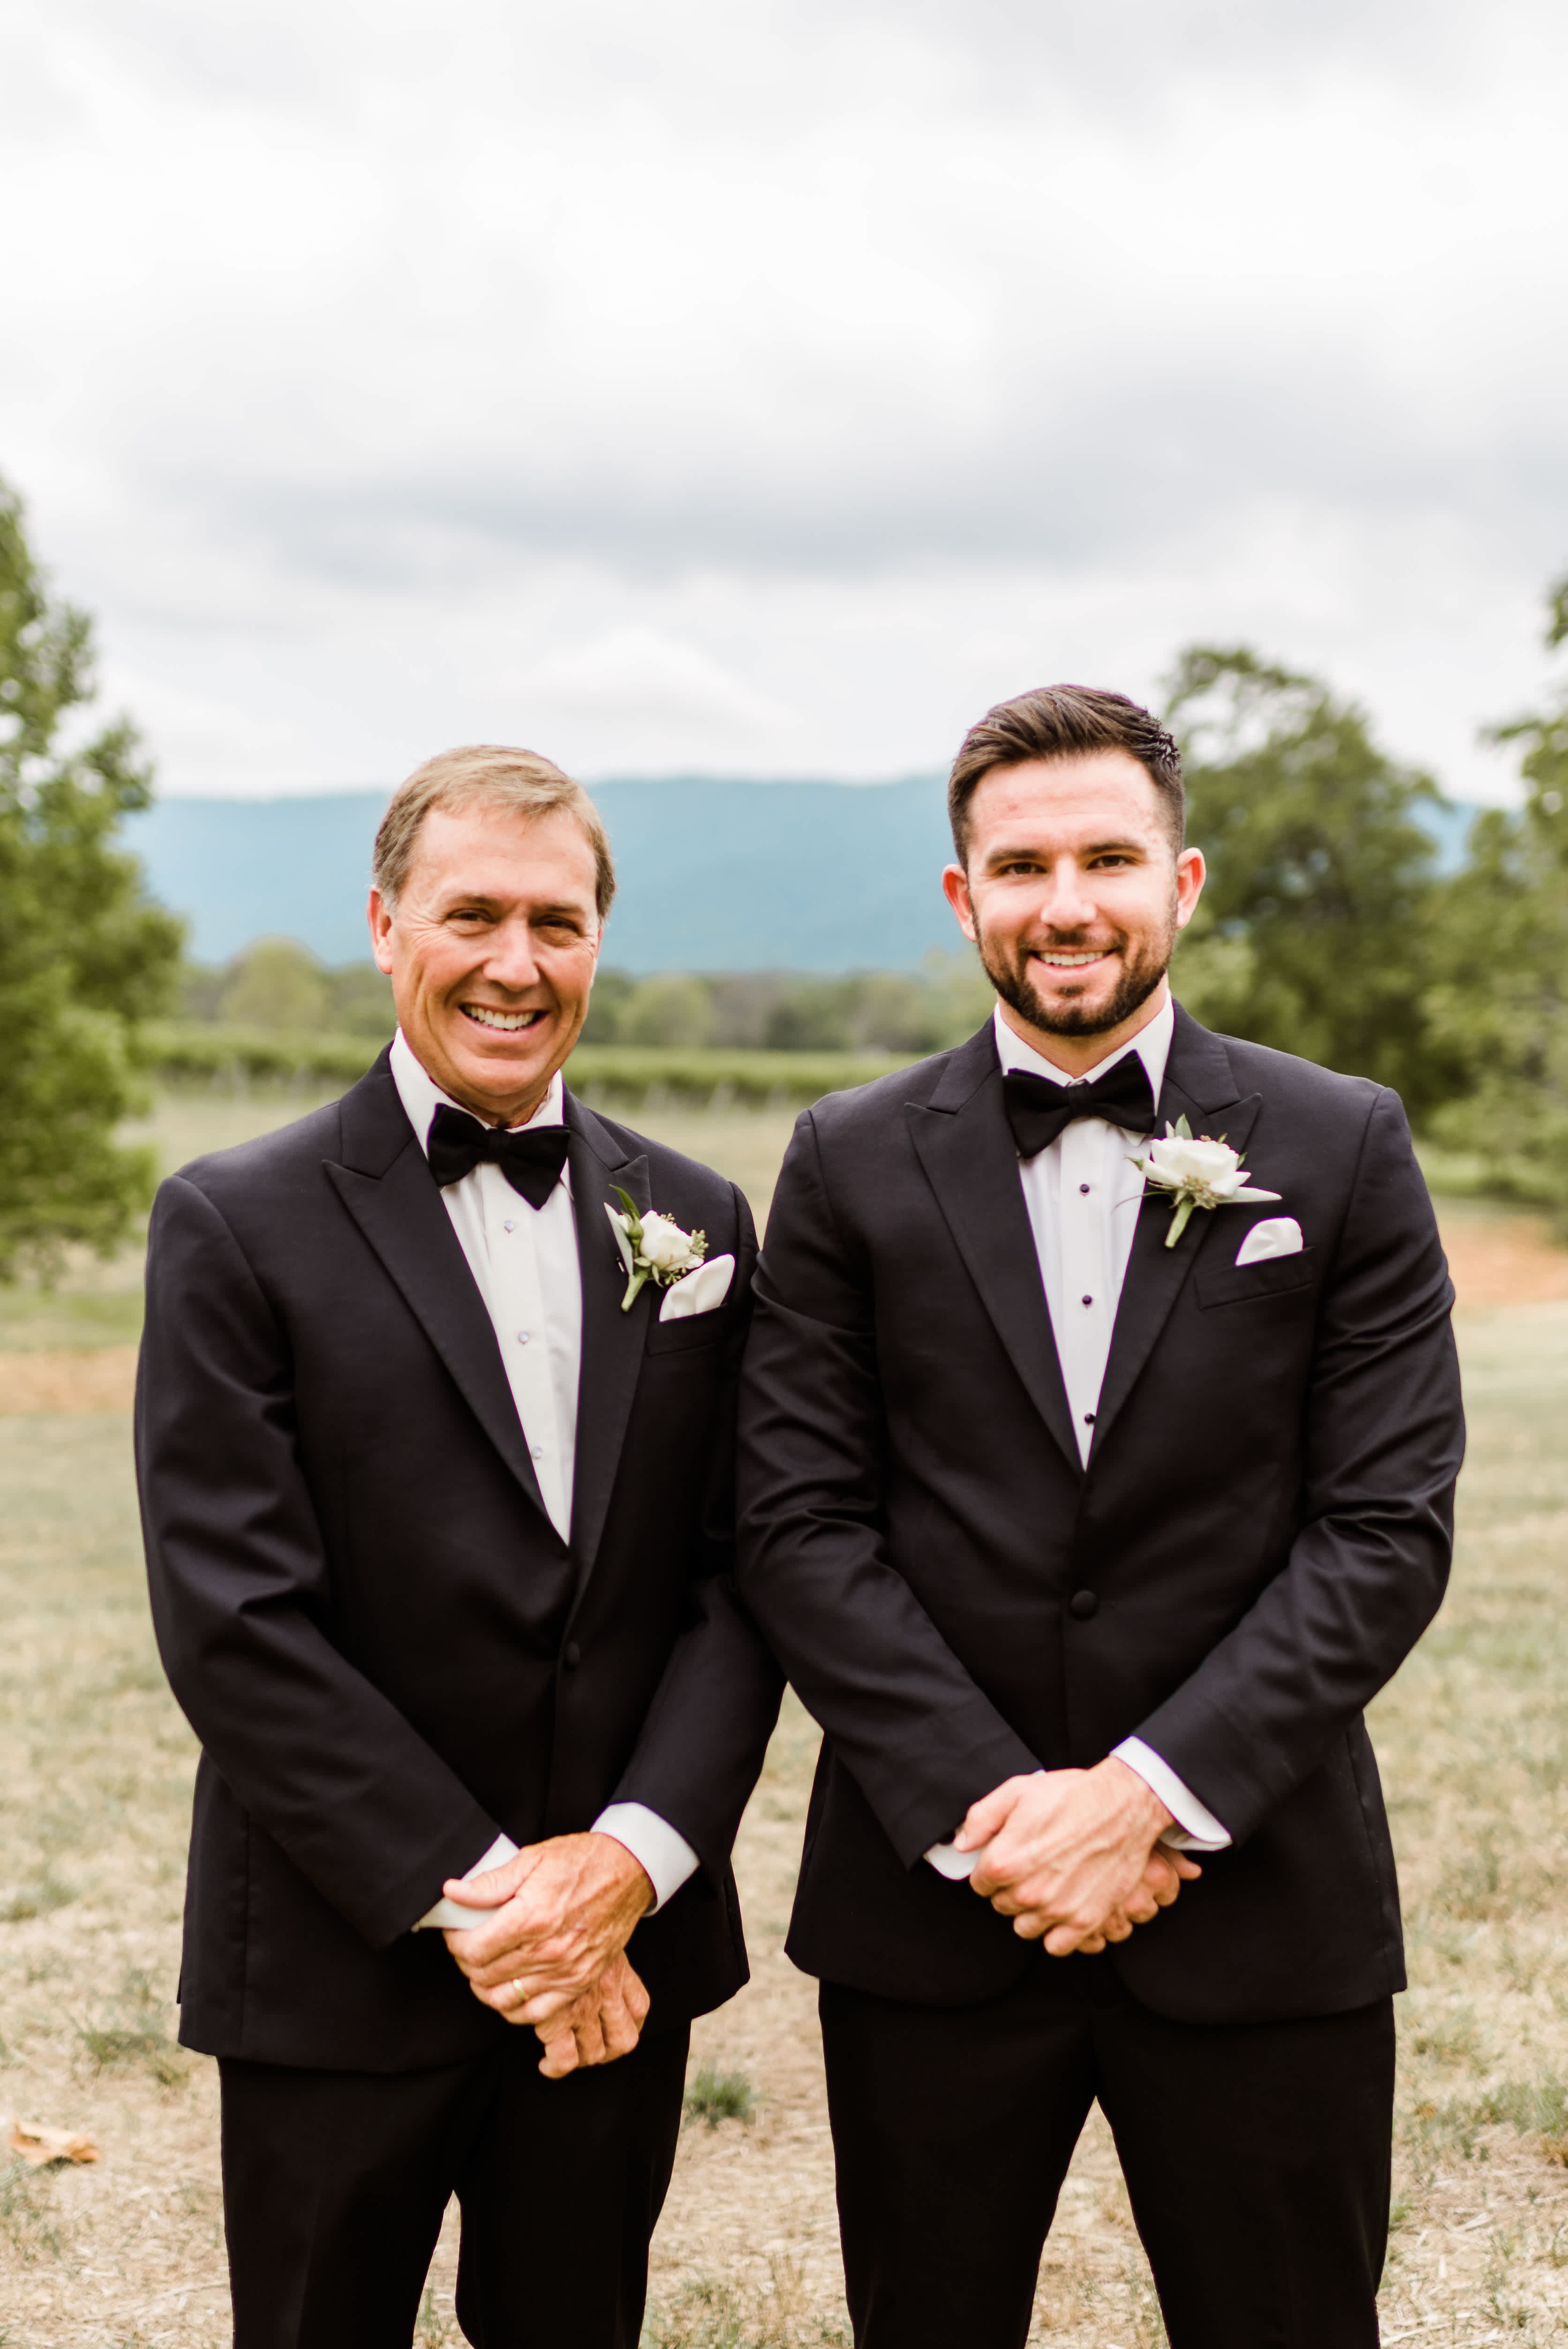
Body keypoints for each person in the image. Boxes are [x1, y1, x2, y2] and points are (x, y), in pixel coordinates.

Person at [736, 685, 1464, 2349]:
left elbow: (1385, 1526)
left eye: (1108, 859)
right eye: (1022, 866)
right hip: (941, 1910)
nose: (1066, 904)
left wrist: (1145, 1799)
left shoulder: (1342, 1143)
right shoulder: (845, 1159)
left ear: (1182, 882)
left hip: (1257, 1901)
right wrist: (1004, 1819)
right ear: (963, 895)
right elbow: (797, 1523)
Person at [136, 744, 781, 2349]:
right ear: (384, 925)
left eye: (557, 922)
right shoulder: (236, 1221)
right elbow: (235, 1617)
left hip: (619, 1958)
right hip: (345, 1948)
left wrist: (624, 1868)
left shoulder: (698, 1215)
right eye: (471, 914)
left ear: (598, 940)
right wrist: (507, 1910)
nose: (515, 962)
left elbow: (744, 1579)